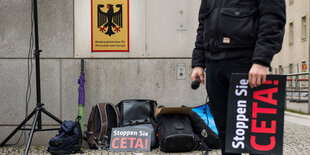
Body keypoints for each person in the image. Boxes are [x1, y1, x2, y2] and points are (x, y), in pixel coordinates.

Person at [191, 0, 286, 155]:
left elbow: (273, 20)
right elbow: (203, 24)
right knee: (225, 131)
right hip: (214, 64)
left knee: (257, 133)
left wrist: (261, 60)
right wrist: (198, 63)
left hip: (246, 64)